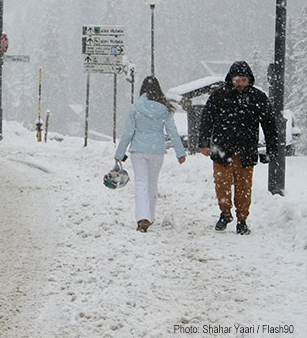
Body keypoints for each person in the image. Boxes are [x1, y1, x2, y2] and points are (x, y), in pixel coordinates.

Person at [198, 61, 278, 235]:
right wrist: (204, 143)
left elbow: (269, 124)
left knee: (243, 187)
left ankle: (242, 219)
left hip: (246, 150)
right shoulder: (219, 96)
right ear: (230, 79)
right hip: (221, 149)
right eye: (237, 80)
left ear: (249, 80)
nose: (240, 83)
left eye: (243, 80)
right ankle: (225, 213)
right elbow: (207, 119)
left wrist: (272, 148)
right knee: (222, 184)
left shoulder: (258, 97)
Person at [115, 76, 186, 232]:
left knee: (141, 183)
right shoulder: (164, 109)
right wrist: (180, 153)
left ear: (143, 90)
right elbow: (172, 132)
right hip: (157, 151)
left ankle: (143, 218)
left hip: (139, 150)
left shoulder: (136, 107)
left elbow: (128, 132)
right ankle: (150, 217)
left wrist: (120, 153)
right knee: (152, 183)